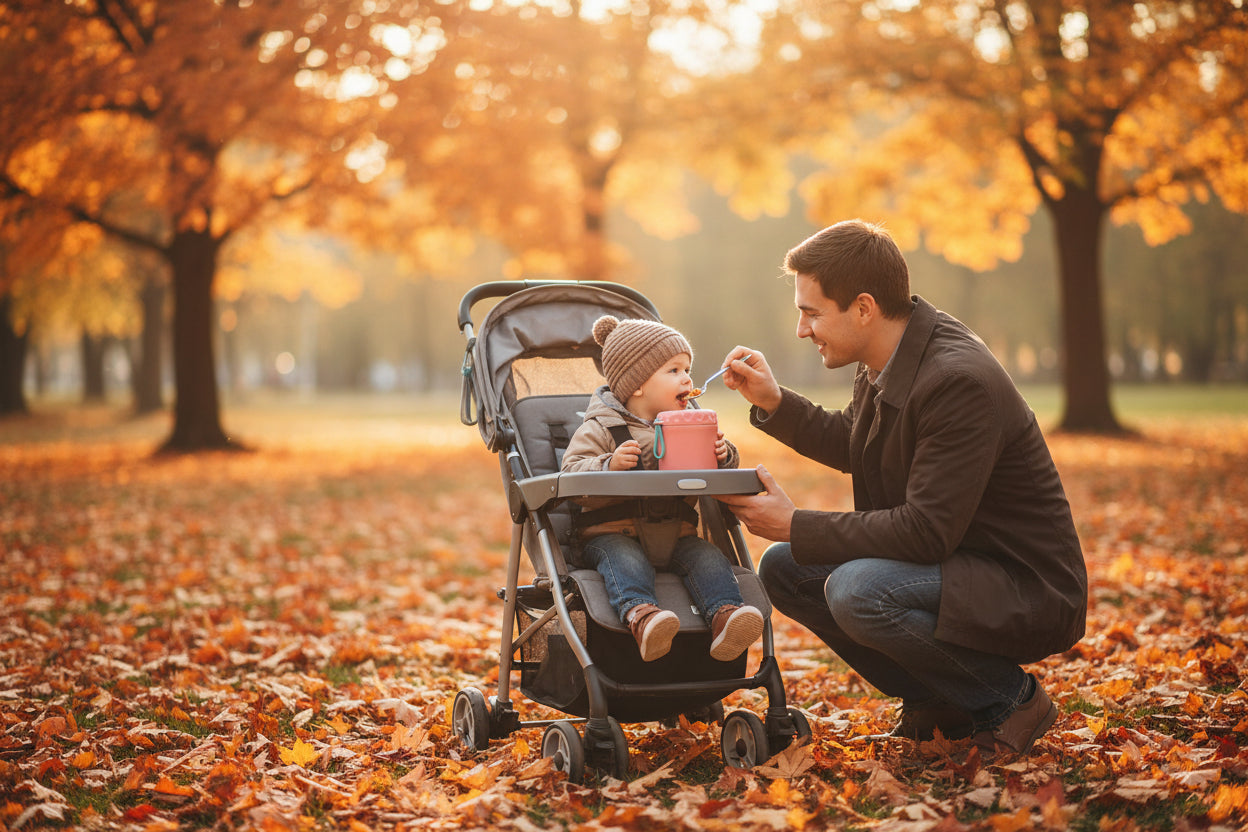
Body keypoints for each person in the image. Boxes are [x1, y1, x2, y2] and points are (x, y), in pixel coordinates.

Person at [715, 219, 1087, 758]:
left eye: (812, 313)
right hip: (959, 563)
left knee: (858, 591)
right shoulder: (892, 353)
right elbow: (856, 441)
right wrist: (775, 402)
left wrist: (797, 524)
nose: (802, 329)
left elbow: (925, 532)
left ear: (864, 308)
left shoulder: (957, 380)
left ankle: (1010, 701)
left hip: (1022, 584)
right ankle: (939, 702)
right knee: (783, 568)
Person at [561, 315, 765, 663]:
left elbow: (716, 475)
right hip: (612, 533)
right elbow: (570, 474)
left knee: (709, 557)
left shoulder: (689, 426)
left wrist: (722, 455)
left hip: (677, 533)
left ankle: (725, 616)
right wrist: (607, 465)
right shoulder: (601, 428)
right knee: (626, 560)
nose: (687, 378)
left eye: (688, 369)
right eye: (674, 370)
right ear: (637, 385)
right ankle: (643, 618)